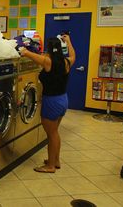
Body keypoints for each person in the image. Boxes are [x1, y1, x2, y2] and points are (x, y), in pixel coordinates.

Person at [19, 34, 76, 173]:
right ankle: (55, 160)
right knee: (55, 132)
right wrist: (69, 41)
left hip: (52, 101)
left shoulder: (47, 61)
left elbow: (27, 53)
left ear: (49, 49)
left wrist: (23, 50)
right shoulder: (67, 61)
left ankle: (50, 166)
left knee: (52, 134)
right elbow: (73, 54)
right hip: (63, 100)